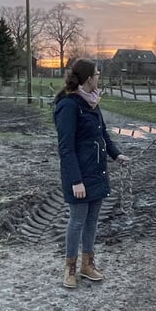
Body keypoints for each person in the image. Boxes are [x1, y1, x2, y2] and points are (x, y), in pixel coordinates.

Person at [54, 59, 130, 289]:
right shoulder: (68, 105)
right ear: (89, 78)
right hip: (79, 174)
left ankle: (87, 265)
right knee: (77, 220)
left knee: (92, 220)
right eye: (97, 74)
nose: (98, 77)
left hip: (97, 171)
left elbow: (103, 134)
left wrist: (116, 155)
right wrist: (76, 181)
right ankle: (69, 268)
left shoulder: (92, 102)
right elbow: (66, 148)